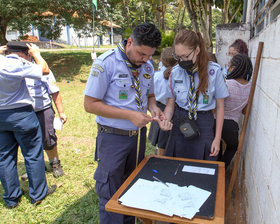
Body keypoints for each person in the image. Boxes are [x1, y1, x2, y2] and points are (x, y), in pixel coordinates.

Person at [83, 23, 168, 224]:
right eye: (141, 53)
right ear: (129, 42)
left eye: (150, 55)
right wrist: (129, 115)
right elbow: (90, 104)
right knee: (111, 191)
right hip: (112, 137)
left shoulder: (147, 66)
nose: (145, 59)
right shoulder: (106, 63)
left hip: (137, 138)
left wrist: (154, 108)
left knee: (133, 187)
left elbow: (150, 95)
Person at [0, 42, 56, 208]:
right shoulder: (17, 62)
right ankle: (38, 194)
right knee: (32, 154)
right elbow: (44, 70)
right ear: (26, 53)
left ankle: (11, 198)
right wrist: (37, 54)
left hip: (1, 115)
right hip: (21, 113)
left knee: (4, 157)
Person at [160, 30, 229, 160]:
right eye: (178, 57)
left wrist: (217, 138)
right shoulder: (175, 72)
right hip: (181, 122)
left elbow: (220, 107)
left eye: (186, 56)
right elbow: (170, 103)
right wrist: (166, 120)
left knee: (202, 168)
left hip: (204, 123)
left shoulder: (214, 72)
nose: (182, 61)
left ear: (197, 50)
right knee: (177, 166)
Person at [23, 69, 67, 178]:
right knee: (29, 140)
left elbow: (54, 91)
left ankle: (55, 163)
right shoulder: (15, 67)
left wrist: (61, 112)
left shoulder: (42, 69)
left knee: (48, 138)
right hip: (24, 111)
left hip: (43, 109)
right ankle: (36, 167)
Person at [218, 54, 253, 169]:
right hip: (232, 125)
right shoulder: (249, 87)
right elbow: (244, 111)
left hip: (217, 120)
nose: (228, 68)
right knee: (232, 147)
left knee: (216, 144)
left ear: (235, 68)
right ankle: (223, 167)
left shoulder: (226, 83)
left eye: (229, 65)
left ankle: (216, 167)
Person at [148, 47, 177, 156]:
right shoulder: (177, 76)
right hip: (170, 110)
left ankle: (160, 156)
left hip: (160, 108)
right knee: (166, 139)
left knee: (162, 141)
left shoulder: (156, 76)